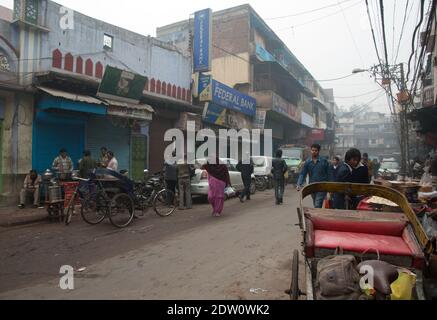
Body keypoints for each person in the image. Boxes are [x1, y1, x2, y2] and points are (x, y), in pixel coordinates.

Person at [297, 144, 331, 208]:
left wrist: (330, 186)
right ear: (311, 151)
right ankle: (318, 215)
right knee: (315, 202)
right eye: (312, 150)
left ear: (318, 151)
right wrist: (299, 184)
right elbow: (303, 173)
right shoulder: (308, 162)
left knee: (318, 203)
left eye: (316, 150)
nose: (314, 152)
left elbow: (329, 174)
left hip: (322, 186)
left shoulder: (324, 161)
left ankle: (317, 216)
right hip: (312, 186)